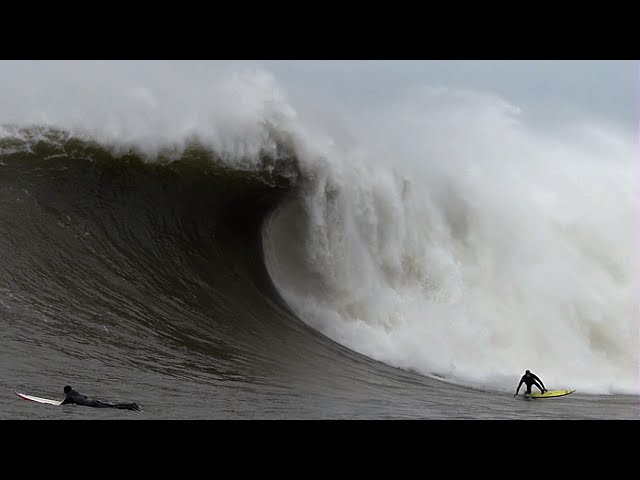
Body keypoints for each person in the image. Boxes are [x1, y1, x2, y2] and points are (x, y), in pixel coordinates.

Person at [61, 385, 141, 411]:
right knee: (112, 406)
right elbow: (84, 397)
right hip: (93, 401)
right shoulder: (75, 392)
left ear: (66, 391)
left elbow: (64, 403)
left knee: (113, 408)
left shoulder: (69, 395)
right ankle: (130, 405)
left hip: (92, 405)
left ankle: (130, 407)